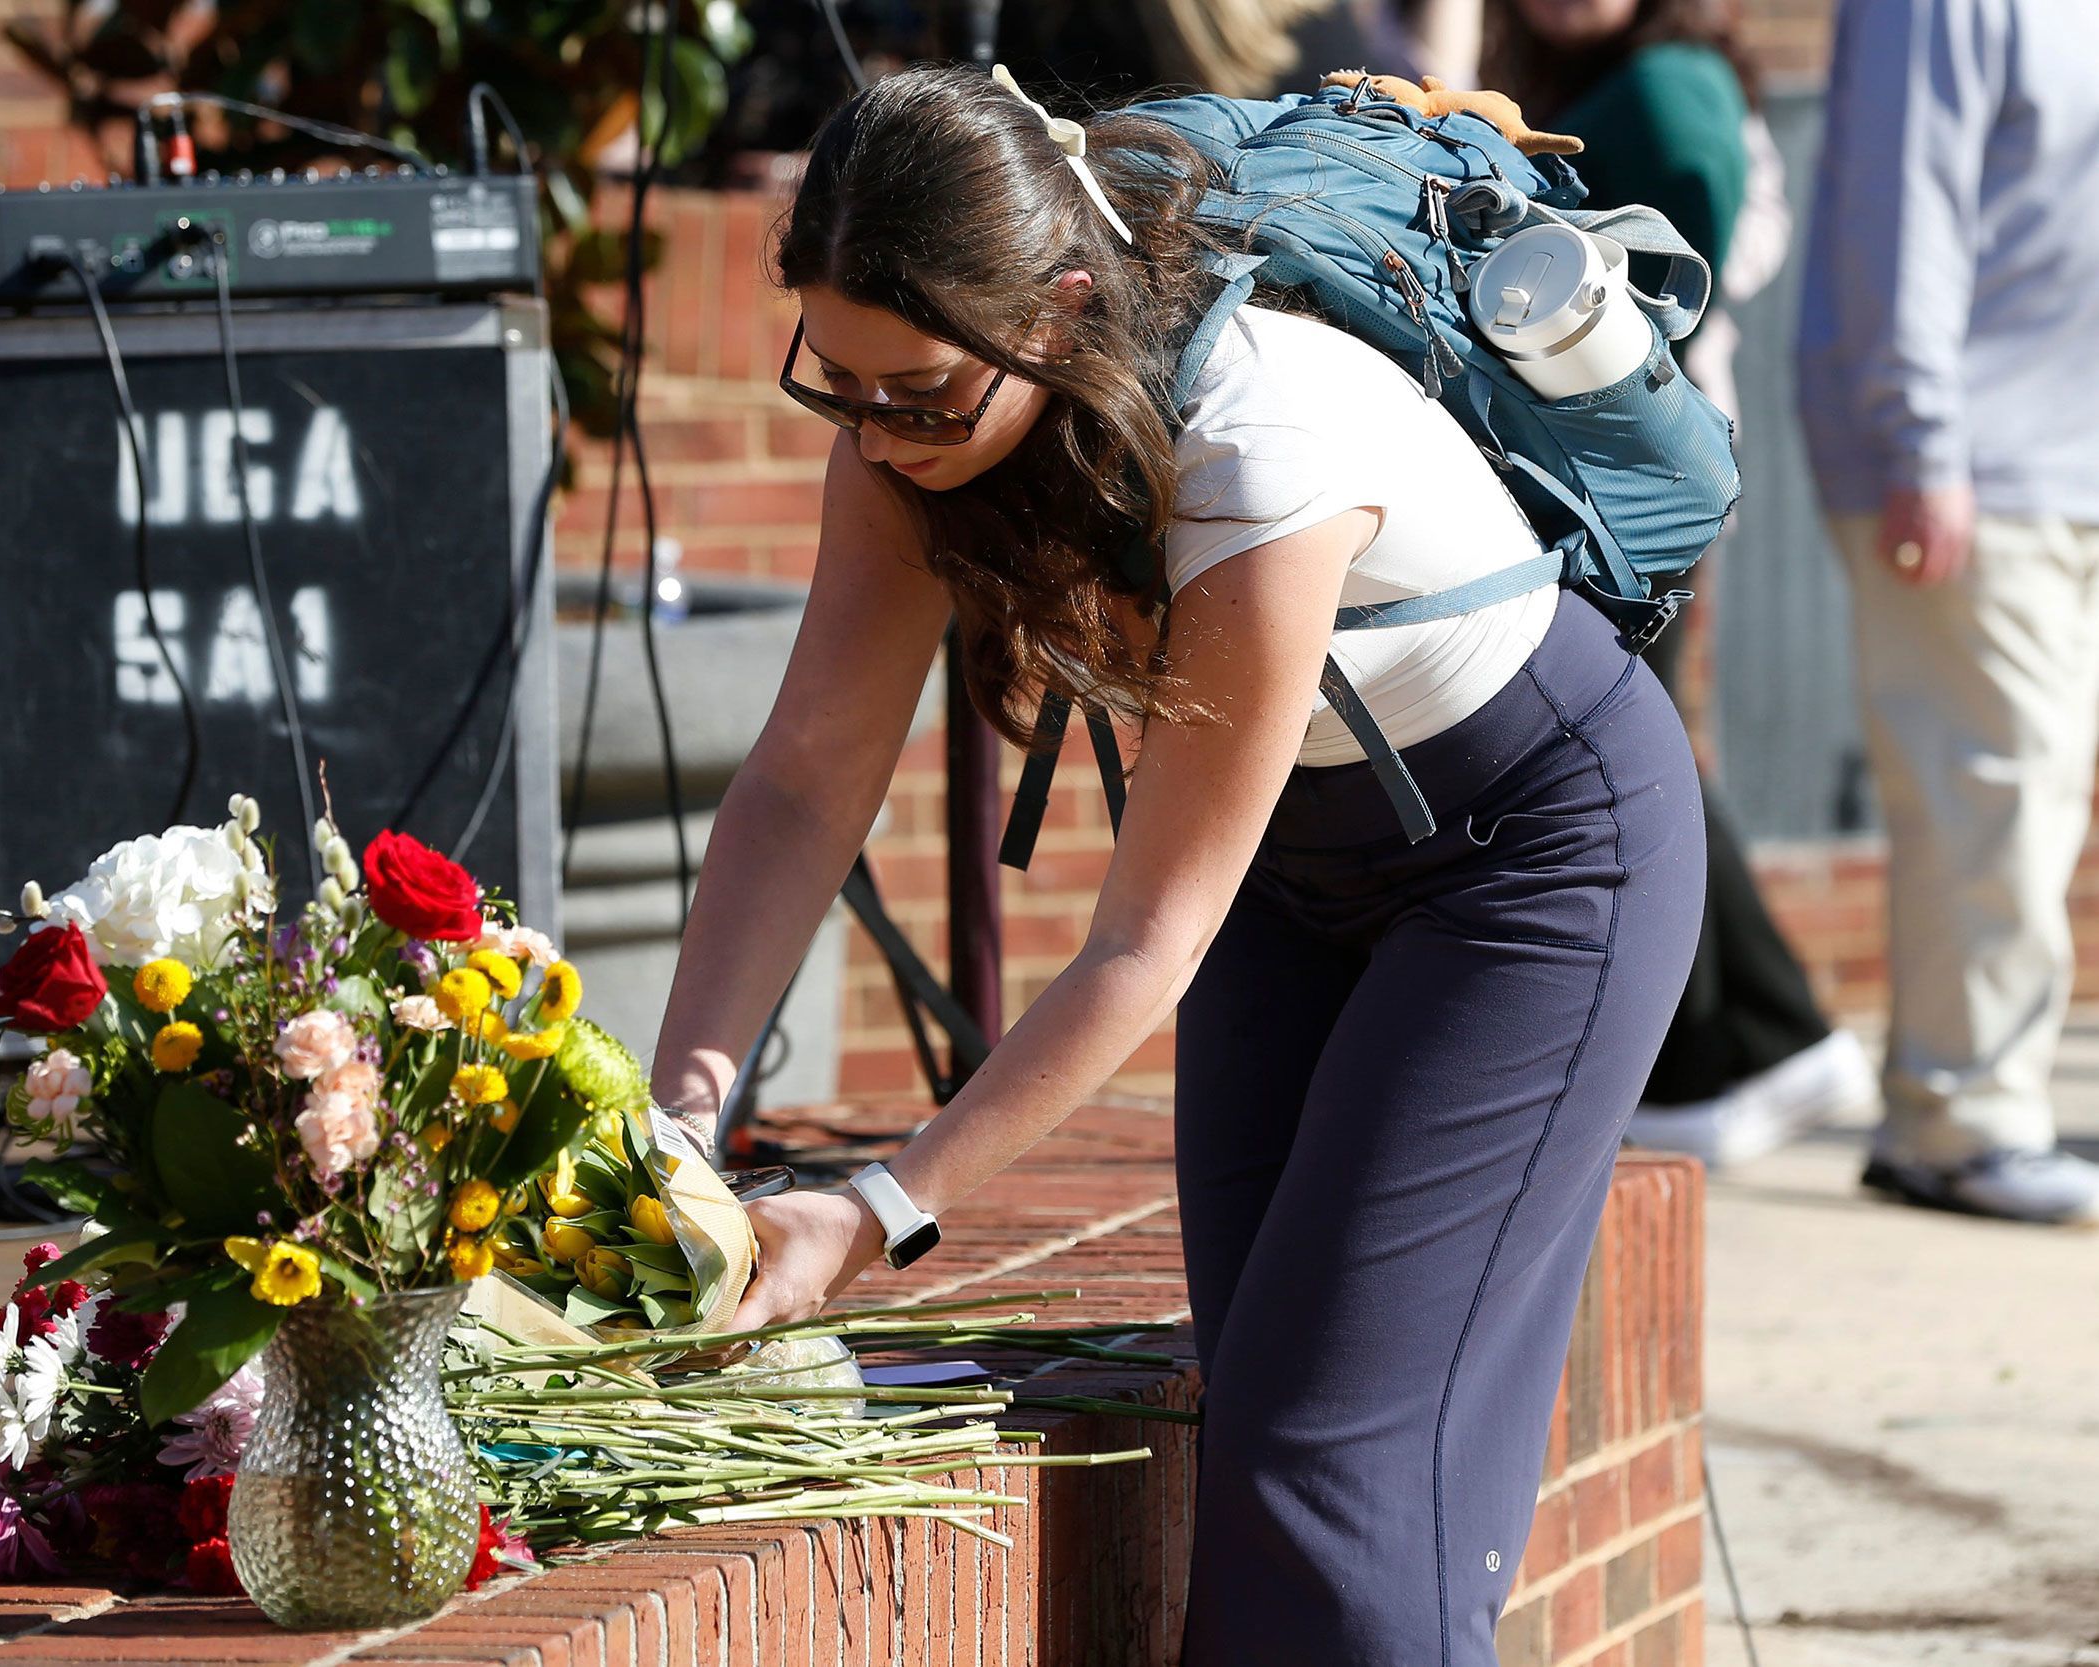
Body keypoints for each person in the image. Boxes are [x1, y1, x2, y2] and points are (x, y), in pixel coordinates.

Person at [644, 65, 1704, 1663]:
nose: (877, 434)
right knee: (1256, 1398)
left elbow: (1143, 941)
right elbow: (805, 783)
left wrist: (874, 1211)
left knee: (1335, 1459)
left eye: (920, 393)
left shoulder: (1260, 443)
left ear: (1062, 311)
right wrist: (680, 1118)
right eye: (837, 387)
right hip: (1295, 872)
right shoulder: (902, 438)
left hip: (1538, 865)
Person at [1487, 0, 1877, 1167]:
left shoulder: (1662, 84)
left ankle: (1734, 1048)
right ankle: (1762, 1039)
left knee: (1615, 752)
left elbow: (1684, 249)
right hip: (1609, 470)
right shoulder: (1604, 77)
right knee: (1627, 745)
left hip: (1626, 477)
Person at [1798, 0, 2099, 1224]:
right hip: (1975, 463)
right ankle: (1960, 1121)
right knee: (1998, 792)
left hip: (2065, 465)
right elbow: (1899, 210)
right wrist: (1921, 441)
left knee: (2030, 796)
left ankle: (1967, 1101)